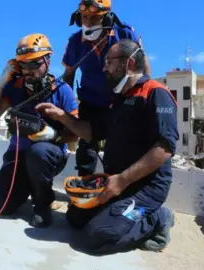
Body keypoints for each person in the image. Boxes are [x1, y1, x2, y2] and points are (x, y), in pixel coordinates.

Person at [36, 39, 178, 254]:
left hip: (145, 188)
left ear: (128, 63)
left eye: (109, 62)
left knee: (97, 236)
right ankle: (120, 213)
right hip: (116, 182)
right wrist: (62, 117)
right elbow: (92, 131)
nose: (104, 68)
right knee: (74, 219)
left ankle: (159, 218)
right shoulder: (118, 100)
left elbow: (165, 148)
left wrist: (122, 180)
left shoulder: (156, 93)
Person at [0, 33, 79, 228]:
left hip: (47, 156)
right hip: (17, 156)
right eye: (23, 65)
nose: (28, 70)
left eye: (34, 64)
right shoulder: (15, 87)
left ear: (47, 61)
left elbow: (76, 133)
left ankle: (42, 205)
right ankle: (26, 185)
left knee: (38, 152)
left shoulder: (62, 90)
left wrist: (54, 135)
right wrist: (2, 80)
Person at [63, 0, 152, 177]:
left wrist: (146, 95)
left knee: (119, 143)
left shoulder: (124, 33)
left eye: (93, 18)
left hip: (119, 99)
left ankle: (115, 184)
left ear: (107, 19)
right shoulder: (75, 42)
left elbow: (142, 65)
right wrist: (68, 109)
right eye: (84, 17)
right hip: (90, 100)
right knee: (87, 146)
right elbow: (68, 75)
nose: (87, 22)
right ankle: (84, 182)